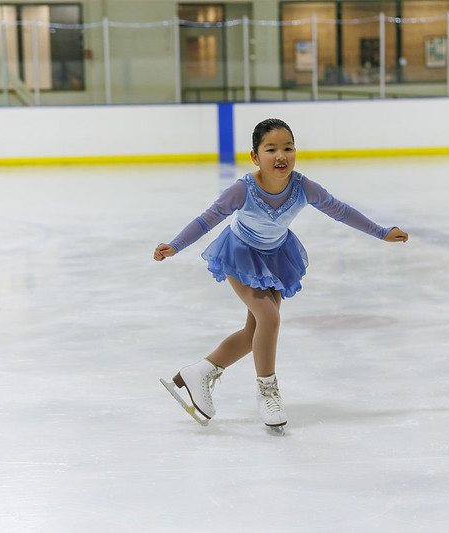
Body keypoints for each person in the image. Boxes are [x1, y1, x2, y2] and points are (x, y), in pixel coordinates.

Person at [154, 118, 408, 431]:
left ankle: (202, 371)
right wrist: (175, 245)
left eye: (288, 148)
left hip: (276, 258)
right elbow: (208, 219)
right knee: (270, 319)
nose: (281, 156)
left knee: (254, 333)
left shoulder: (303, 187)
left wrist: (381, 232)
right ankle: (267, 391)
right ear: (255, 156)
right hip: (240, 253)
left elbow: (340, 211)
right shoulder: (242, 190)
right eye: (271, 149)